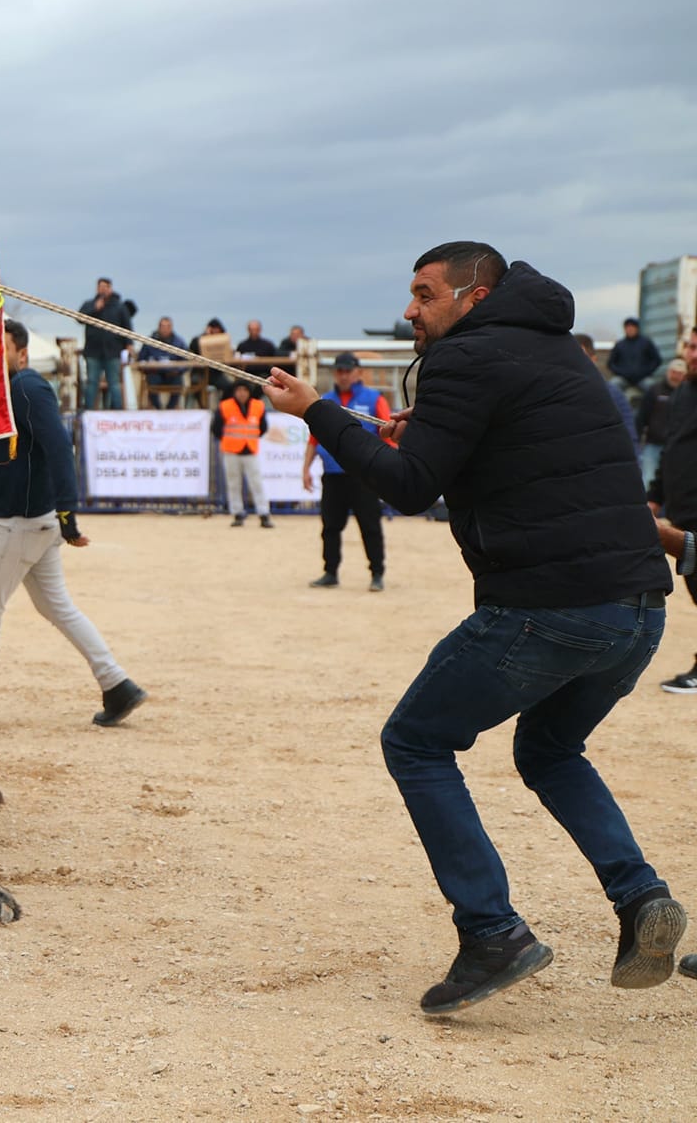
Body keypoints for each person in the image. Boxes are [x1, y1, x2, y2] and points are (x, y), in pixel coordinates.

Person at [265, 241, 683, 1015]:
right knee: (550, 748)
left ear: (474, 298)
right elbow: (494, 450)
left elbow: (411, 486)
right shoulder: (557, 352)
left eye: (425, 295)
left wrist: (318, 411)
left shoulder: (464, 361)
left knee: (416, 741)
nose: (410, 310)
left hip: (549, 605)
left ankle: (493, 932)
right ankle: (640, 898)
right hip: (639, 611)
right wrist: (414, 431)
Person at [0, 320, 146, 728]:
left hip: (20, 523)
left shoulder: (28, 388)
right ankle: (117, 685)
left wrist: (68, 512)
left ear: (22, 354)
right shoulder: (4, 395)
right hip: (30, 524)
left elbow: (60, 447)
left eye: (3, 348)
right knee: (57, 607)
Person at [302, 353, 390, 591]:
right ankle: (330, 572)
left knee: (370, 525)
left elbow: (388, 431)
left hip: (364, 475)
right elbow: (314, 438)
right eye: (339, 371)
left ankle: (377, 573)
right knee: (330, 526)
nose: (343, 375)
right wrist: (306, 468)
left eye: (347, 370)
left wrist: (391, 464)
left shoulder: (373, 398)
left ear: (358, 372)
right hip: (333, 474)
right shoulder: (326, 401)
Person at [648, 330, 697, 694]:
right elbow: (671, 448)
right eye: (690, 346)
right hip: (684, 510)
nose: (690, 355)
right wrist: (654, 496)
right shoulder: (684, 392)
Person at [213, 378, 272, 528]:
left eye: (244, 390)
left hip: (250, 449)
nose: (241, 393)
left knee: (256, 483)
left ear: (249, 392)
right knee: (233, 483)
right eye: (238, 390)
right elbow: (216, 428)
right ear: (234, 392)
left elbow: (263, 427)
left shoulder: (258, 406)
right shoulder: (225, 406)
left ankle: (263, 513)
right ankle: (237, 513)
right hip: (231, 451)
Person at [76, 277, 135, 410]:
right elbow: (79, 318)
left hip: (113, 351)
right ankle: (89, 410)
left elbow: (127, 327)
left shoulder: (119, 307)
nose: (103, 289)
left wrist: (129, 344)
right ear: (97, 288)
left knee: (114, 382)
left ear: (110, 288)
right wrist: (94, 309)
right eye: (100, 287)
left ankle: (117, 411)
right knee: (92, 382)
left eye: (106, 287)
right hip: (93, 351)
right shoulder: (89, 304)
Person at [576, 333, 638, 451]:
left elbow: (629, 437)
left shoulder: (613, 394)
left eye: (582, 357)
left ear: (593, 359)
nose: (577, 363)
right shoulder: (555, 393)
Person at [639, 358, 686, 489]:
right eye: (673, 372)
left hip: (677, 447)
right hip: (653, 445)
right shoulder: (654, 390)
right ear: (667, 372)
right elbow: (642, 416)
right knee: (648, 481)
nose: (676, 376)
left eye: (679, 373)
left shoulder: (688, 394)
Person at [134, 316, 188, 408]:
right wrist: (148, 368)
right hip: (155, 373)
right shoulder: (150, 341)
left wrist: (178, 370)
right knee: (151, 381)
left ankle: (169, 409)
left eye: (168, 326)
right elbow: (141, 360)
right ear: (159, 327)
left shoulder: (179, 342)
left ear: (171, 327)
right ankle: (158, 409)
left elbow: (186, 363)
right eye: (163, 326)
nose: (165, 329)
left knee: (178, 383)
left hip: (172, 374)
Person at [607, 317, 661, 402]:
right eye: (627, 327)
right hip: (623, 378)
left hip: (643, 378)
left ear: (637, 328)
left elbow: (657, 360)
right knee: (612, 386)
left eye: (632, 327)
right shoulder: (620, 345)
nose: (630, 329)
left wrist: (646, 371)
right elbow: (611, 363)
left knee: (653, 389)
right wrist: (622, 372)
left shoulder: (646, 343)